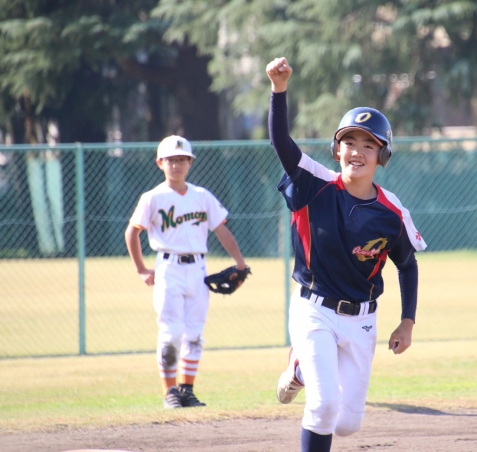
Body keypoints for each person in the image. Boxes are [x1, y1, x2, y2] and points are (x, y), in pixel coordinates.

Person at [266, 57, 427, 451]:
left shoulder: (391, 212)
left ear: (382, 156)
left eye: (369, 145)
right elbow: (281, 142)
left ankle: (300, 369)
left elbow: (407, 265)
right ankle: (304, 365)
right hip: (314, 309)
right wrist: (279, 90)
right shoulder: (314, 184)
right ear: (336, 149)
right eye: (349, 142)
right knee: (323, 406)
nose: (358, 151)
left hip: (362, 320)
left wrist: (407, 322)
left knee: (347, 424)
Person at [124, 135, 247, 409]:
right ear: (160, 163)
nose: (176, 165)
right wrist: (141, 269)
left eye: (182, 159)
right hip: (168, 269)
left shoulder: (202, 196)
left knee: (194, 333)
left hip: (199, 270)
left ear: (190, 163)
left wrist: (240, 263)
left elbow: (222, 230)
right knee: (171, 333)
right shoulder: (153, 197)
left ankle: (186, 390)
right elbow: (132, 232)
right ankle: (169, 392)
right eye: (171, 160)